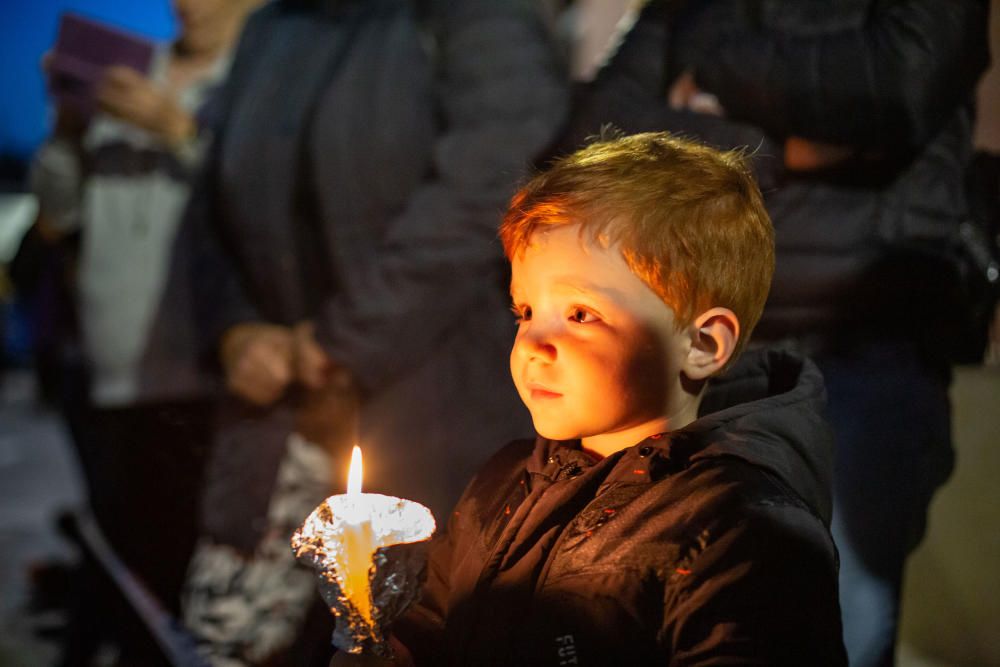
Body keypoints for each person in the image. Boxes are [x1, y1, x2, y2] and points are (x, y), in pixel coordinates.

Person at [560, 2, 990, 664]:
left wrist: (709, 87)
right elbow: (597, 134)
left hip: (857, 346)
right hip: (699, 352)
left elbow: (902, 85)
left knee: (838, 625)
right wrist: (781, 152)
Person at [333, 132, 846, 666]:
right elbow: (428, 635)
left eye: (581, 315)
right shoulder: (503, 486)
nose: (533, 343)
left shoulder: (743, 536)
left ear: (701, 344)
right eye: (525, 311)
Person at [174, 0, 568, 663]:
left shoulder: (474, 20)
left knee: (423, 633)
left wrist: (334, 344)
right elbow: (211, 202)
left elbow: (484, 191)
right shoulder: (276, 25)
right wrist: (236, 329)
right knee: (237, 641)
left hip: (435, 408)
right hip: (278, 418)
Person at [27, 1, 260, 664]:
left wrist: (177, 127)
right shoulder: (125, 72)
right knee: (128, 573)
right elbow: (57, 210)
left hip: (211, 366)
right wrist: (69, 130)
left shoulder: (255, 78)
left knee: (195, 579)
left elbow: (258, 201)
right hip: (111, 364)